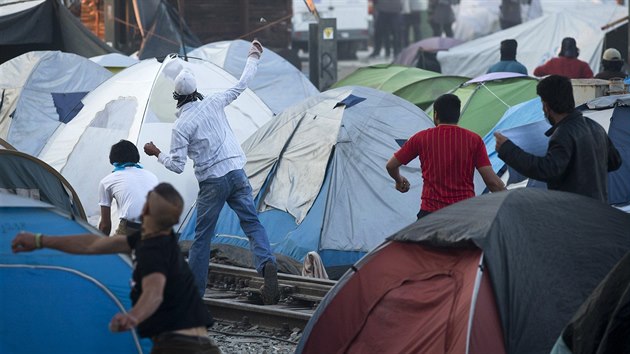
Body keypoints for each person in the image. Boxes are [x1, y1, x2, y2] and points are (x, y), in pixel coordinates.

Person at [143, 40, 279, 305]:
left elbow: (177, 165)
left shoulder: (181, 126)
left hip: (213, 182)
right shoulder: (215, 101)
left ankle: (195, 293)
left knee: (202, 238)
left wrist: (156, 152)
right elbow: (242, 84)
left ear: (176, 96)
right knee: (252, 224)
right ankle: (266, 265)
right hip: (237, 172)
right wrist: (253, 55)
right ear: (195, 90)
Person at [11, 183, 222, 354]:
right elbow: (92, 244)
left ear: (145, 209)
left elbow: (154, 292)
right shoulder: (156, 241)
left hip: (178, 347)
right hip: (204, 345)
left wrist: (134, 316)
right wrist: (41, 240)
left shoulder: (152, 250)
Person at [494, 75, 622, 203]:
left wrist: (507, 149)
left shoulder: (563, 134)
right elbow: (615, 161)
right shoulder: (595, 127)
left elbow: (547, 170)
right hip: (599, 210)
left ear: (546, 106)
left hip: (576, 212)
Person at [386, 94, 506, 219]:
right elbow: (492, 182)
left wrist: (399, 180)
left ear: (436, 115)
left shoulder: (421, 138)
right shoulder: (474, 140)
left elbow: (391, 165)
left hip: (430, 215)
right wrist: (511, 203)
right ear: (457, 116)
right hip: (464, 214)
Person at [99, 140, 159, 236]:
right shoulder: (152, 176)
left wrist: (99, 246)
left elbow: (105, 225)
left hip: (132, 228)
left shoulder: (107, 181)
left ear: (113, 159)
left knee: (116, 246)